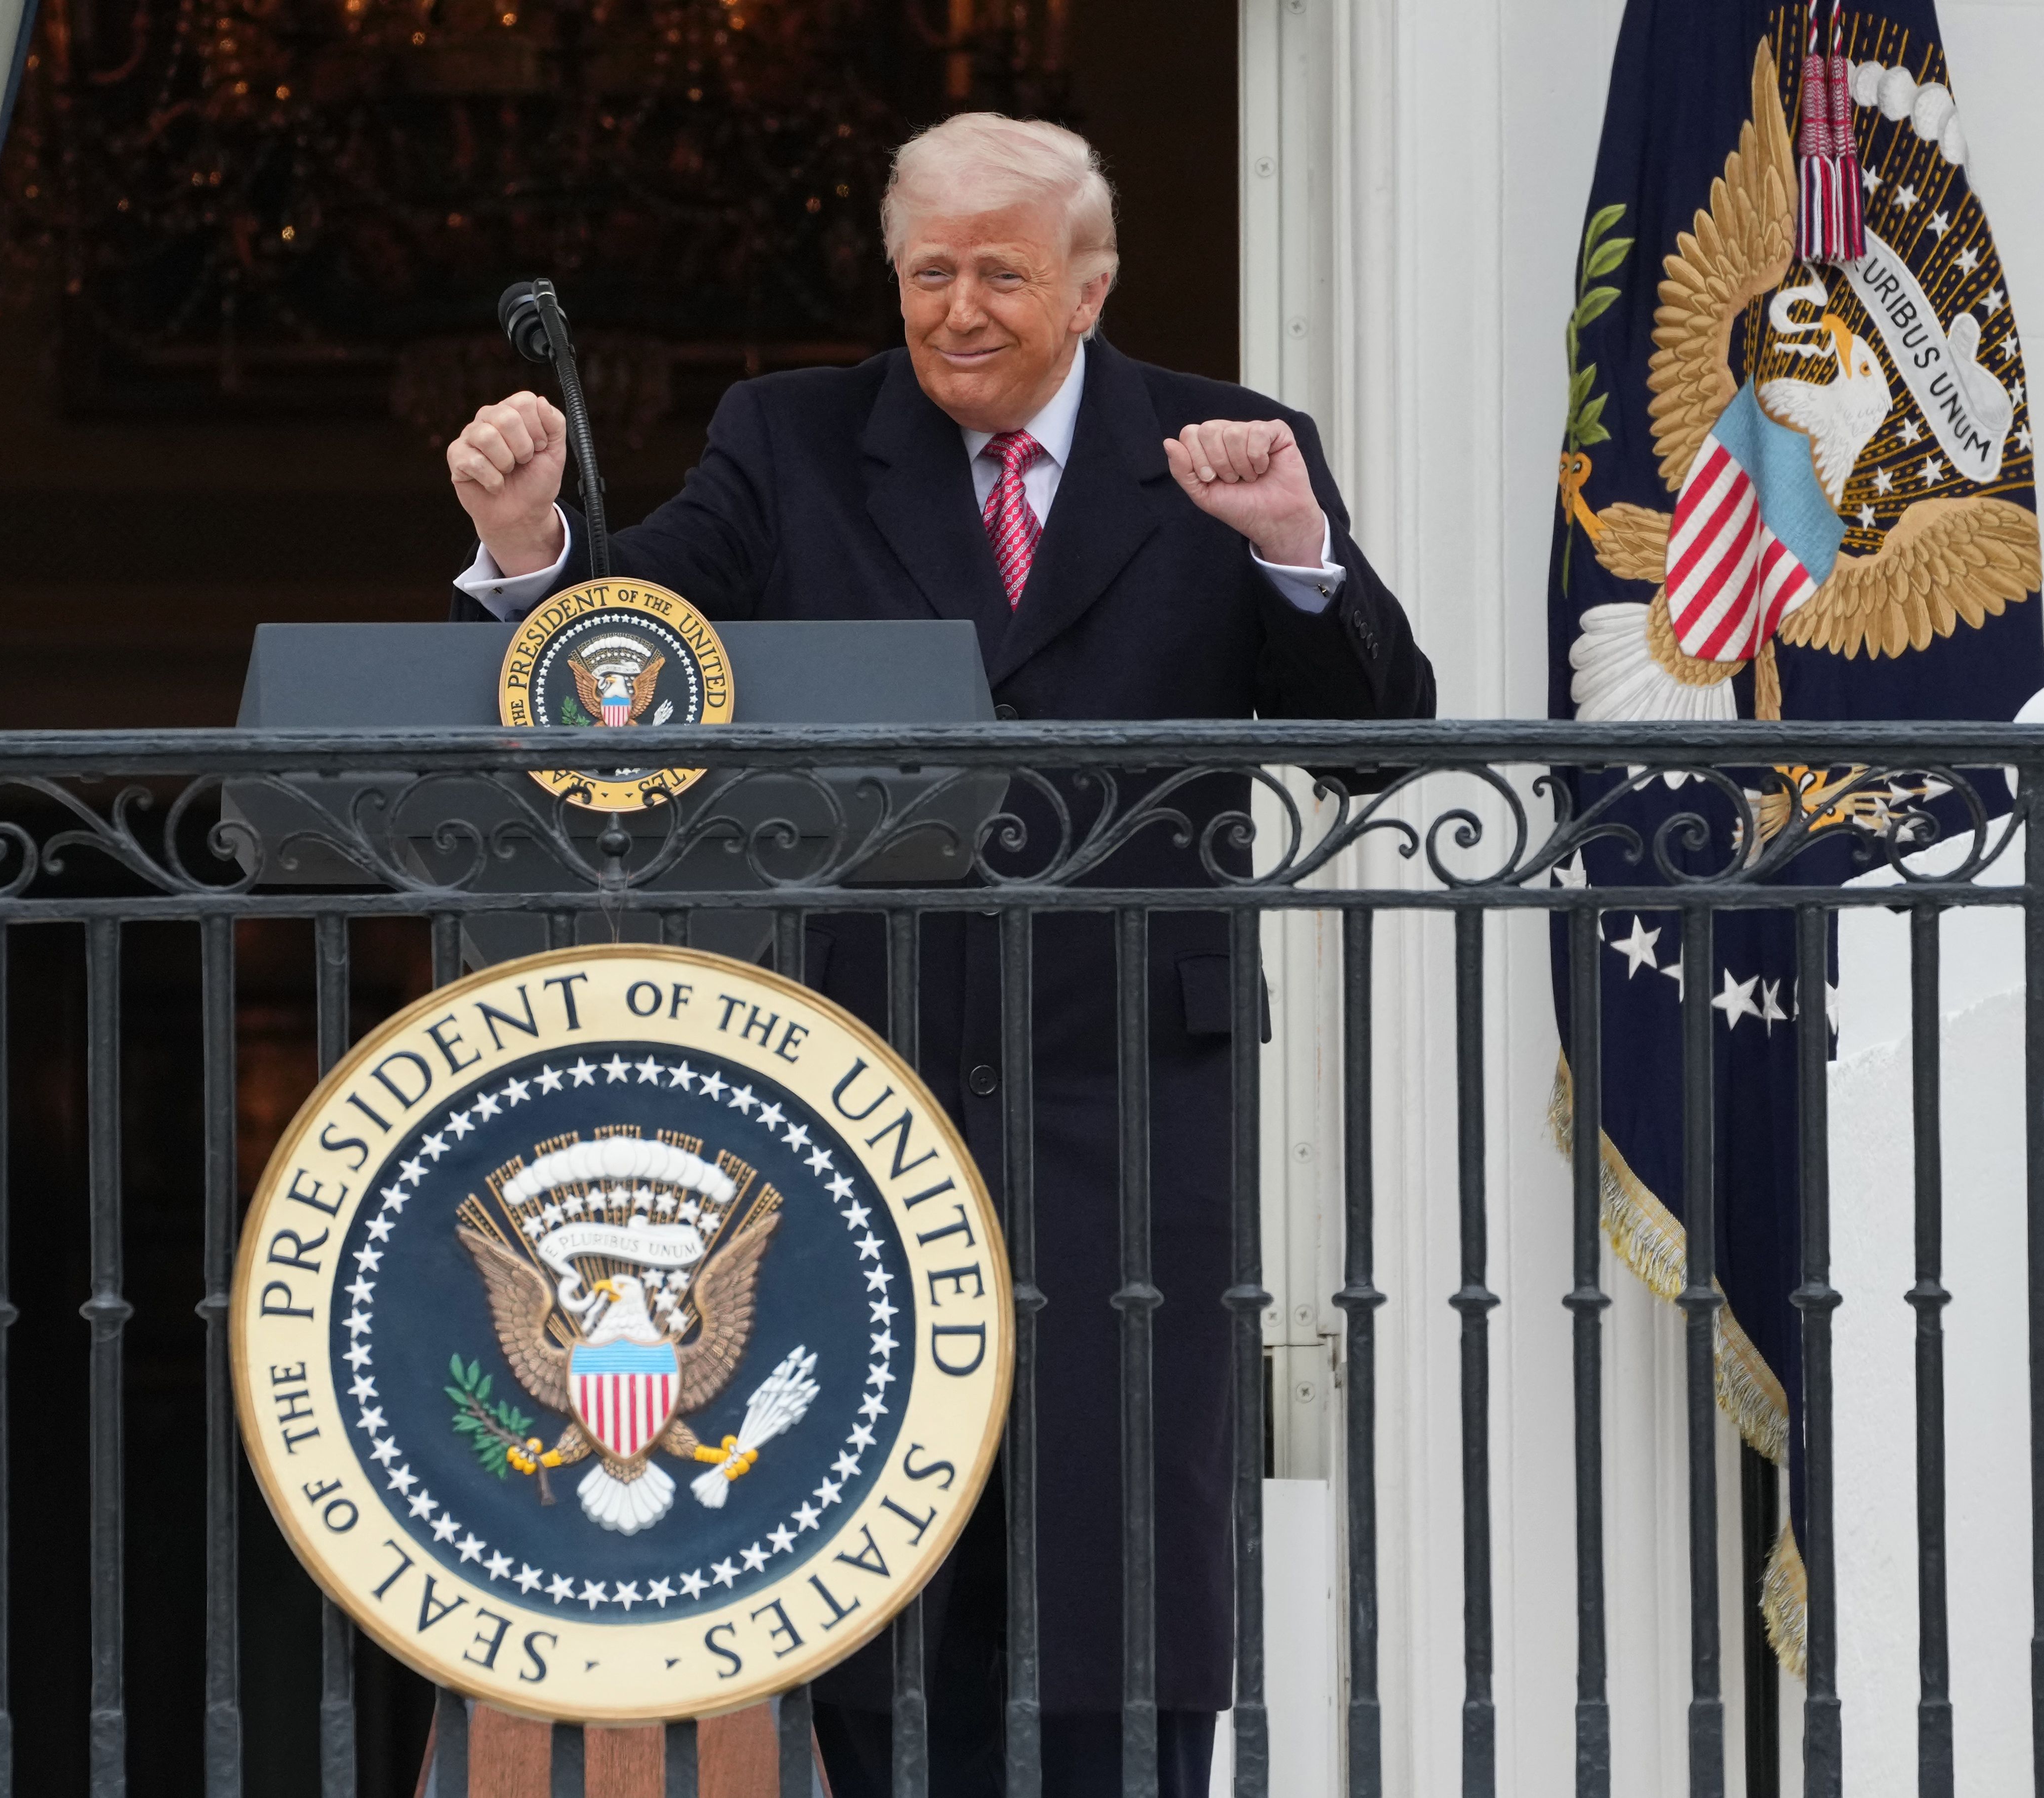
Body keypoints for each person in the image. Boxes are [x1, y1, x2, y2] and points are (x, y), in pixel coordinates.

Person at [441, 112, 1434, 1796]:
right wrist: (537, 549)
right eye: (927, 273)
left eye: (1000, 272)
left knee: (1124, 1572)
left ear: (1092, 286)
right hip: (865, 1081)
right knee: (878, 1574)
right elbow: (637, 661)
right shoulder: (794, 439)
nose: (959, 308)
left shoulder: (1223, 441)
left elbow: (1372, 744)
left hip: (1124, 1096)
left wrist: (1289, 549)